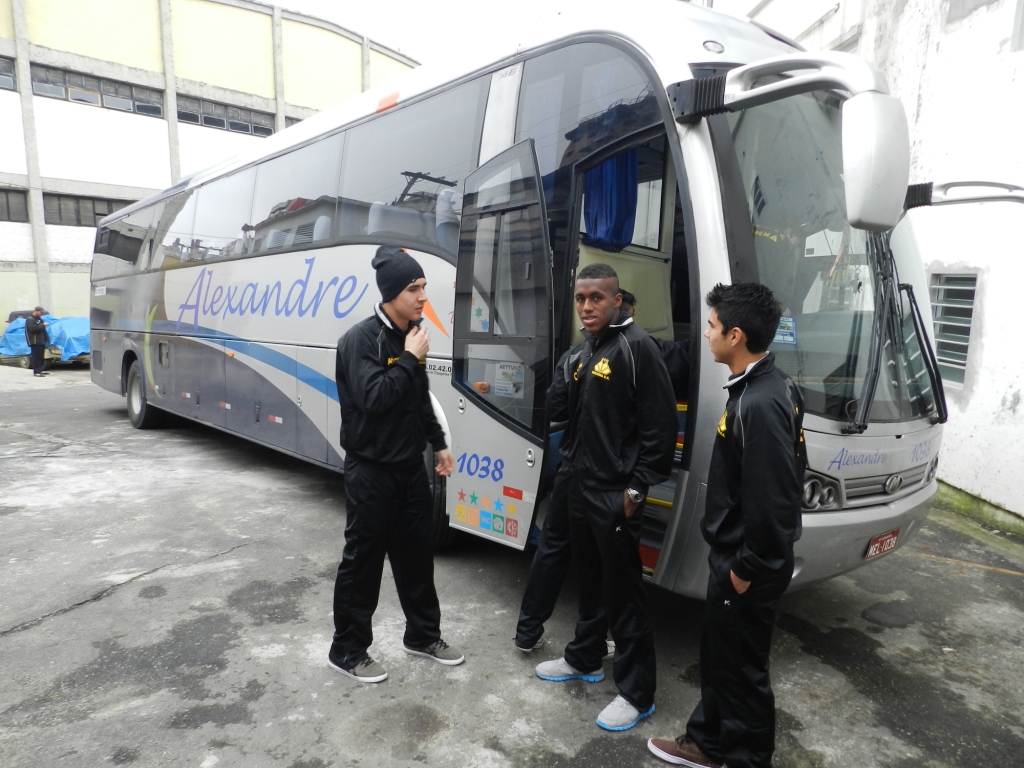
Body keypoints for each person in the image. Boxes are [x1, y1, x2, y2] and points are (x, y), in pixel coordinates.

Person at [648, 282, 805, 768]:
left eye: (712, 326)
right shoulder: (764, 387)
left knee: (741, 672)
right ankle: (707, 743)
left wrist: (746, 567)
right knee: (721, 658)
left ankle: (746, 759)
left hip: (746, 564)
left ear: (735, 336)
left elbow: (775, 500)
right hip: (736, 556)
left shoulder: (760, 403)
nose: (706, 334)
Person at [533, 263, 676, 731]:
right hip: (579, 483)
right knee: (589, 580)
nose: (587, 306)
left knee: (624, 593)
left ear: (617, 301)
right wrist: (564, 367)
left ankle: (637, 693)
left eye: (596, 298)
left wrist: (636, 489)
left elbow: (660, 428)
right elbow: (561, 411)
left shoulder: (638, 348)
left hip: (614, 492)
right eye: (581, 298)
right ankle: (585, 657)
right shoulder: (586, 350)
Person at [328, 244, 464, 684]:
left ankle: (422, 636)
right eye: (413, 288)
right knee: (363, 563)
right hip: (371, 472)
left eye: (423, 286)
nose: (423, 296)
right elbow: (374, 399)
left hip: (409, 470)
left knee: (416, 558)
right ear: (390, 293)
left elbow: (419, 397)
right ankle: (347, 650)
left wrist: (438, 442)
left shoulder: (414, 333)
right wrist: (409, 357)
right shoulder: (360, 340)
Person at [24, 307, 50, 377]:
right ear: (36, 311)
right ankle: (36, 371)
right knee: (36, 357)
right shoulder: (30, 319)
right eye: (40, 312)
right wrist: (42, 325)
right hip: (35, 341)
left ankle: (41, 369)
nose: (41, 314)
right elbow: (33, 329)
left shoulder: (39, 319)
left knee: (41, 356)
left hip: (41, 340)